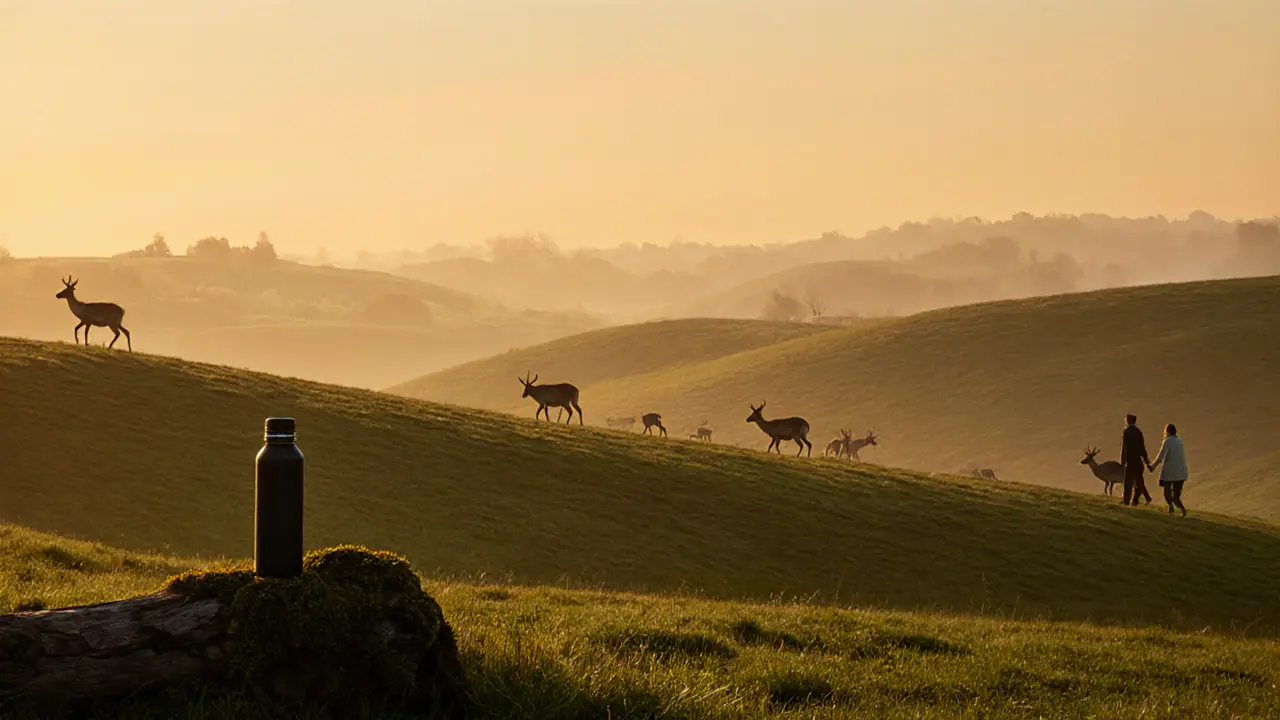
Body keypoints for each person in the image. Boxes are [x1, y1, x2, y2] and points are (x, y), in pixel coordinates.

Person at [1149, 423, 1189, 516]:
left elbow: (1161, 456)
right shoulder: (1179, 441)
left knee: (1167, 492)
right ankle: (1182, 510)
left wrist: (1153, 466)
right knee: (1176, 496)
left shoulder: (1167, 441)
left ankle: (1171, 507)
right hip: (1181, 472)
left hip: (1170, 472)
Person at [1120, 414, 1152, 506]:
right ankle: (1146, 498)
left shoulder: (1126, 431)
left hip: (1130, 461)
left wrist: (1123, 460)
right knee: (1139, 482)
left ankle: (1126, 501)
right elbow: (1142, 448)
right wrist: (1147, 461)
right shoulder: (1138, 432)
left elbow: (1124, 447)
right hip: (1138, 461)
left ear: (1128, 421)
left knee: (1128, 482)